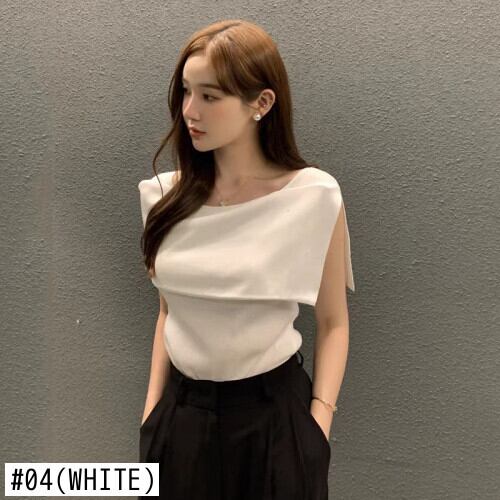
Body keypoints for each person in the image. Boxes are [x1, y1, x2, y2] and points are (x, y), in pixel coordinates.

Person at [137, 19, 355, 500]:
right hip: (181, 418)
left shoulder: (313, 197)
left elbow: (333, 321)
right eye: (186, 91)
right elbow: (168, 311)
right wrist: (152, 414)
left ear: (262, 103)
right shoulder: (163, 198)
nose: (189, 111)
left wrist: (317, 427)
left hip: (273, 422)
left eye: (209, 96)